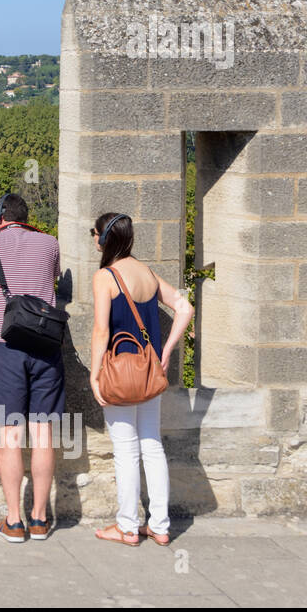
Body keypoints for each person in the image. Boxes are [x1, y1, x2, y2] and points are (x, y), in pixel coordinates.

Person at [87, 212, 193, 547]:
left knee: (125, 449)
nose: (93, 238)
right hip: (150, 371)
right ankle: (160, 526)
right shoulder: (147, 273)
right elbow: (184, 307)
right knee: (152, 445)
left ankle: (128, 527)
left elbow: (102, 330)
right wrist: (168, 350)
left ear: (104, 239)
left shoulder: (106, 277)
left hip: (119, 372)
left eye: (94, 233)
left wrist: (94, 373)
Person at [0, 193, 63, 543]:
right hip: (46, 347)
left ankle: (14, 520)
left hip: (6, 345)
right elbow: (51, 281)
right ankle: (40, 519)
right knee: (43, 435)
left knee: (10, 435)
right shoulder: (50, 242)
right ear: (25, 218)